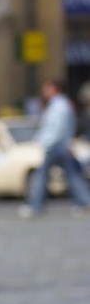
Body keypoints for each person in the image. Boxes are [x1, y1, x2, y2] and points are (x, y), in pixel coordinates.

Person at [18, 79, 90, 218]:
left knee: (41, 176)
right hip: (61, 146)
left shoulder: (59, 106)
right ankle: (85, 202)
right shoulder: (59, 105)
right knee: (72, 175)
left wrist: (42, 142)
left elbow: (55, 129)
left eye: (47, 88)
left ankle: (35, 206)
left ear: (54, 89)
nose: (44, 91)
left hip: (55, 146)